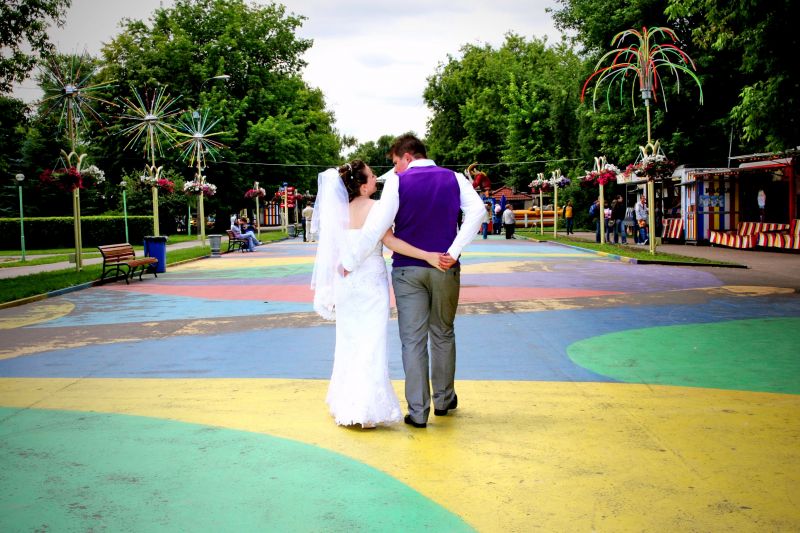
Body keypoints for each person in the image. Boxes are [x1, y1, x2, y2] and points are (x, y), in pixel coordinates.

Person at [342, 134, 484, 428]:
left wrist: (350, 263)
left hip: (407, 271)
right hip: (445, 267)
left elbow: (377, 228)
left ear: (407, 157)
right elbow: (478, 211)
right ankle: (444, 400)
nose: (394, 169)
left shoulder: (398, 182)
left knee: (412, 340)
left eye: (396, 162)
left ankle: (418, 412)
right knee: (443, 333)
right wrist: (453, 251)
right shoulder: (455, 178)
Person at [311, 160, 444, 429]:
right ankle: (366, 409)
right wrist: (426, 255)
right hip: (371, 285)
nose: (375, 179)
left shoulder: (338, 212)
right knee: (371, 344)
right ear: (362, 187)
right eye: (372, 176)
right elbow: (391, 242)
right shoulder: (377, 208)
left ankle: (345, 402)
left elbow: (333, 253)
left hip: (346, 285)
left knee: (349, 342)